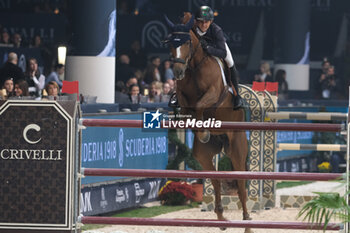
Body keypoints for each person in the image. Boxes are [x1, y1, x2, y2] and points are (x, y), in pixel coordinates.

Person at [169, 6, 242, 109]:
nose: (204, 25)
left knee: (230, 62)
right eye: (201, 22)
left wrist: (208, 49)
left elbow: (222, 53)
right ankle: (178, 95)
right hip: (198, 53)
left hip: (217, 48)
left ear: (211, 21)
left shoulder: (216, 30)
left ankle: (236, 95)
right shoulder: (192, 27)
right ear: (196, 21)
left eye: (206, 22)